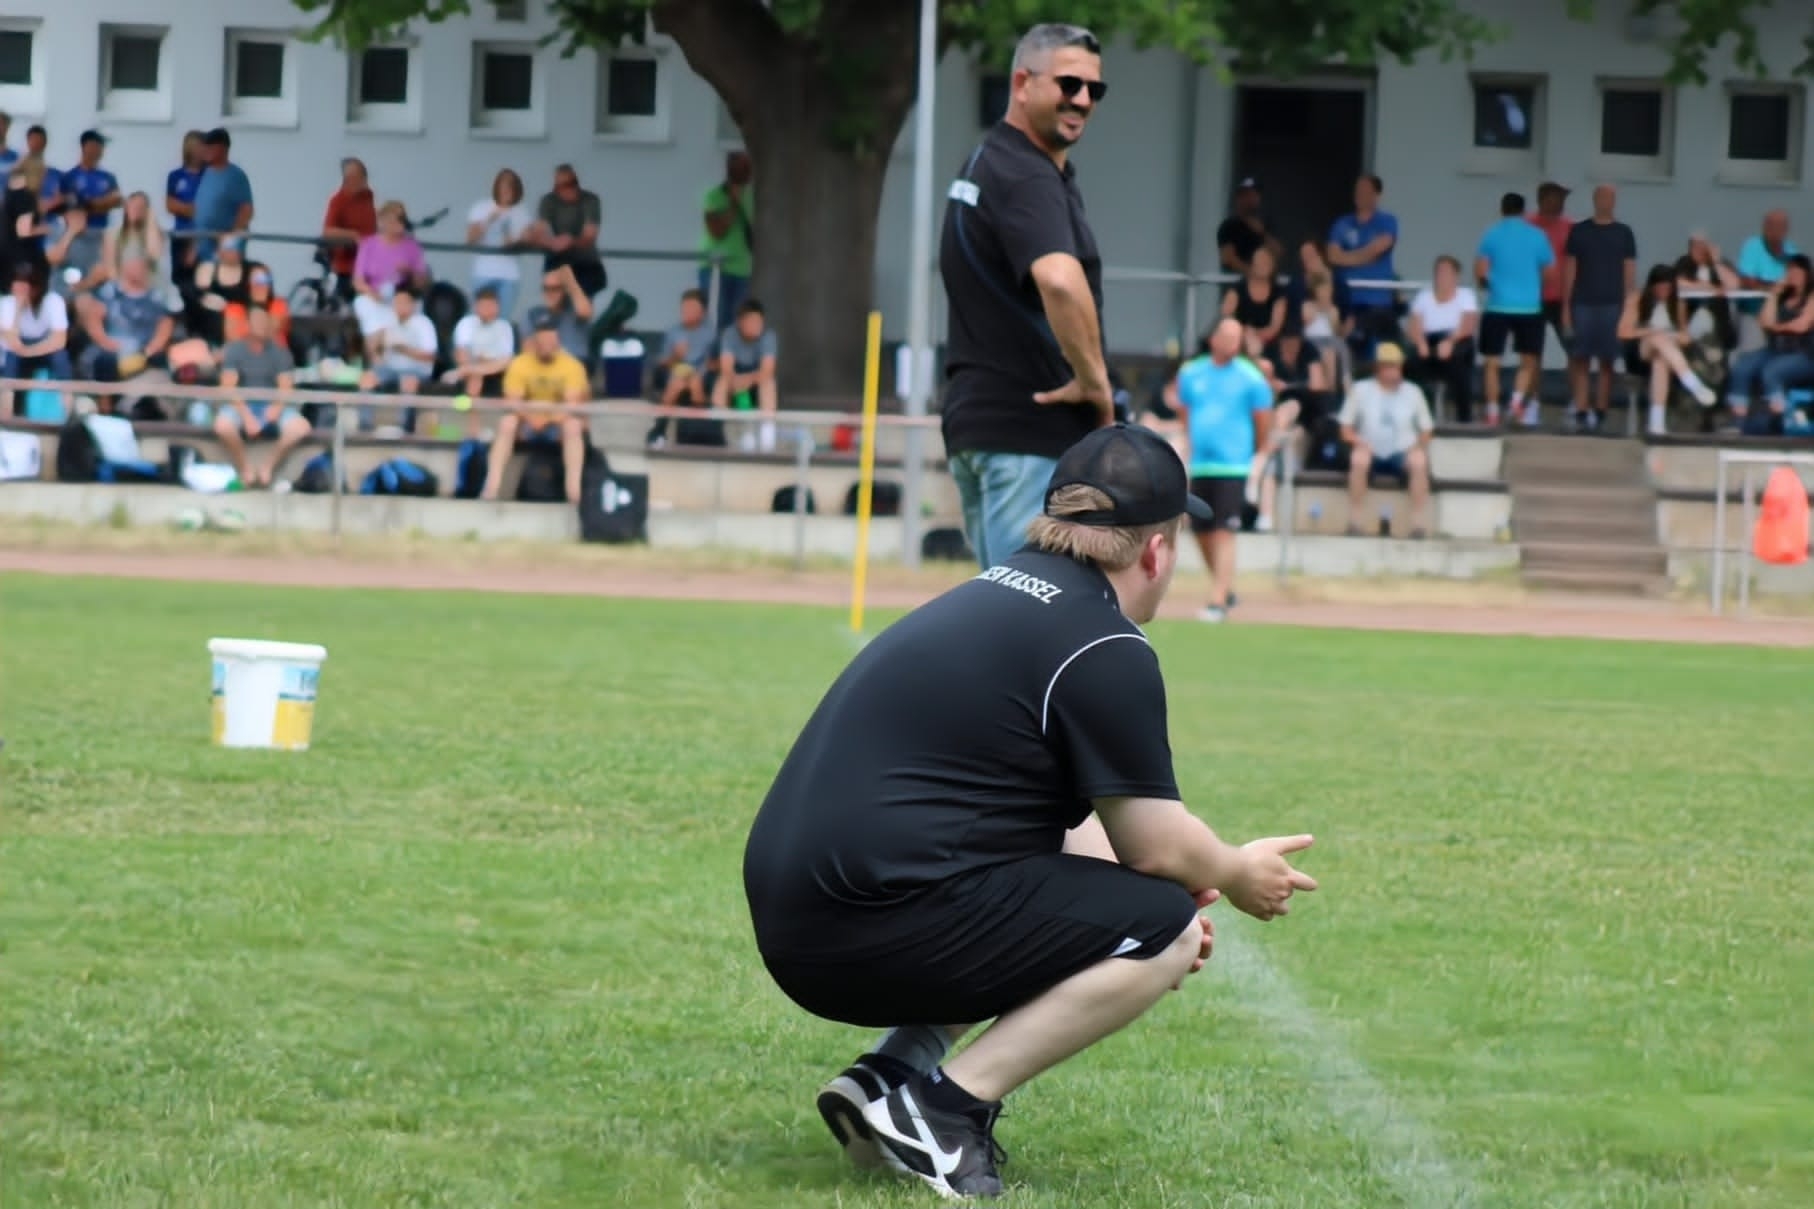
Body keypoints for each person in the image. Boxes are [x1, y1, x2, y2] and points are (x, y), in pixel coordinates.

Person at [743, 422, 1317, 1201]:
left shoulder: (993, 591)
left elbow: (1066, 830)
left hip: (801, 911)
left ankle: (889, 1075)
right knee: (1168, 927)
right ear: (1156, 552)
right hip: (862, 924)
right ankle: (943, 1111)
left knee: (1140, 914)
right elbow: (1154, 844)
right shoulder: (1103, 643)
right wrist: (1234, 872)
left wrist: (1144, 903)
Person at [939, 22, 1115, 570]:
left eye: (1094, 89)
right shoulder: (1027, 176)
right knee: (1028, 612)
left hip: (983, 427)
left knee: (1009, 607)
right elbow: (1060, 279)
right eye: (1068, 84)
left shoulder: (988, 161)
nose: (1082, 100)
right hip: (1027, 435)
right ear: (1022, 83)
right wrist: (1095, 383)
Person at [1176, 318, 1274, 622]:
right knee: (1201, 530)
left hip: (1233, 465)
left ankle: (1217, 600)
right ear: (1214, 338)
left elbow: (1263, 420)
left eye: (1237, 338)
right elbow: (1185, 412)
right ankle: (1225, 588)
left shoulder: (1251, 376)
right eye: (1228, 336)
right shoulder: (1191, 373)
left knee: (1224, 531)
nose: (1233, 343)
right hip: (1201, 464)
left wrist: (1256, 454)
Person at [480, 311, 590, 503]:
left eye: (550, 340)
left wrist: (548, 420)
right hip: (527, 424)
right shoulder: (520, 363)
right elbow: (512, 401)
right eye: (542, 340)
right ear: (534, 341)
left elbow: (572, 405)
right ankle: (491, 487)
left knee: (573, 426)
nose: (546, 344)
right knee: (507, 423)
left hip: (556, 425)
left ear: (557, 341)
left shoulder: (572, 365)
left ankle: (574, 492)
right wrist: (532, 418)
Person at [1338, 342, 1435, 539]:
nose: (1395, 372)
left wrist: (1416, 446)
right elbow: (1345, 429)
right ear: (1378, 368)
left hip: (1402, 451)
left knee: (1419, 460)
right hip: (1370, 449)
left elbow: (1427, 429)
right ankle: (1355, 521)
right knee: (1358, 459)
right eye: (1390, 366)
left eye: (1397, 366)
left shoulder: (1413, 392)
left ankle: (1418, 524)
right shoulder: (1360, 390)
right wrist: (1358, 442)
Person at [1561, 184, 1637, 433]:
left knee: (1607, 361)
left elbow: (1629, 272)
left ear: (1614, 201)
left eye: (1610, 197)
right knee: (1581, 359)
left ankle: (1601, 411)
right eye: (1602, 197)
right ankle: (1582, 410)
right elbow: (1570, 270)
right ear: (1595, 200)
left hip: (1612, 304)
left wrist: (1629, 307)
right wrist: (1566, 307)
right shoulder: (1579, 232)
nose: (1605, 201)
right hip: (1583, 303)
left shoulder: (1624, 233)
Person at [1474, 191, 1554, 426]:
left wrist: (1490, 286)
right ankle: (1516, 401)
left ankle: (1492, 411)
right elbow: (1549, 272)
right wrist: (1533, 286)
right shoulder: (1537, 236)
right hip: (1529, 307)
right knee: (1528, 361)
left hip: (1497, 306)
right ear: (1524, 211)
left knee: (1492, 362)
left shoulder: (1491, 234)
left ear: (1502, 210)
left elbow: (1481, 272)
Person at [212, 303, 310, 487]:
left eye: (265, 321)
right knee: (222, 426)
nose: (262, 325)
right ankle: (245, 469)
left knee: (301, 427)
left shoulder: (280, 352)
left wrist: (276, 408)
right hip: (242, 405)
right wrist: (247, 417)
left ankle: (268, 468)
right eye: (257, 321)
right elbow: (228, 387)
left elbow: (286, 387)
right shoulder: (234, 350)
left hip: (271, 405)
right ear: (247, 325)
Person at [1616, 264, 1717, 435]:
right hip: (1641, 351)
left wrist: (1672, 336)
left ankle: (1656, 423)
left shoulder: (1677, 302)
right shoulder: (1637, 299)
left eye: (1668, 288)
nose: (1664, 292)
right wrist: (1650, 331)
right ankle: (1692, 382)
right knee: (1657, 338)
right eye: (1660, 288)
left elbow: (1685, 337)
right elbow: (1623, 332)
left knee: (1660, 361)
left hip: (1669, 355)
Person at [1405, 255, 1479, 423]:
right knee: (1410, 364)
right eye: (1439, 272)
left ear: (1456, 276)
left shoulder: (1465, 295)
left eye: (1446, 272)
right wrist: (1420, 342)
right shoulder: (1424, 296)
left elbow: (1468, 324)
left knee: (1459, 364)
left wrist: (1450, 342)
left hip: (1456, 339)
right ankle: (1418, 415)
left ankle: (1464, 418)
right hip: (1429, 340)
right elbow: (1413, 326)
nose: (1441, 276)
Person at [466, 168, 532, 322]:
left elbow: (528, 239)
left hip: (509, 275)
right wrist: (489, 220)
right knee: (478, 319)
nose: (506, 190)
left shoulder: (521, 212)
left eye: (510, 186)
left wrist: (517, 241)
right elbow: (470, 239)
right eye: (503, 185)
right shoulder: (481, 207)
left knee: (502, 321)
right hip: (483, 272)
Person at [700, 150, 754, 331]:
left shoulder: (753, 196)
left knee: (737, 320)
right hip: (715, 266)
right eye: (738, 168)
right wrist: (734, 203)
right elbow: (717, 232)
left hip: (742, 267)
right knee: (716, 317)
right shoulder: (714, 196)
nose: (743, 172)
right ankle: (714, 349)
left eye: (745, 168)